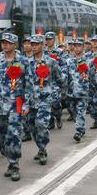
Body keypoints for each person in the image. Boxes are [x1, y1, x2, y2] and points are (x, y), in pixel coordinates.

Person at [0, 33, 29, 181]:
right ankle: (10, 160)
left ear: (15, 45)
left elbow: (29, 84)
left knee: (14, 135)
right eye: (3, 43)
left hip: (16, 105)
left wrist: (27, 103)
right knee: (4, 136)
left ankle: (14, 164)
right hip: (0, 106)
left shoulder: (23, 61)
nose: (4, 45)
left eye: (8, 43)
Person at [25, 35, 62, 165]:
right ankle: (40, 146)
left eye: (36, 44)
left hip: (45, 99)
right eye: (32, 44)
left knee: (41, 124)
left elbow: (59, 79)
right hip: (31, 100)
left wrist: (54, 93)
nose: (33, 46)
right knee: (32, 127)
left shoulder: (51, 62)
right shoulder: (27, 62)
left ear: (43, 45)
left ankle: (42, 149)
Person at [67, 40, 95, 142]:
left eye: (79, 46)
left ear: (83, 47)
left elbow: (92, 76)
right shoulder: (69, 61)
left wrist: (93, 88)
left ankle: (79, 131)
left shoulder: (89, 61)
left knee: (80, 111)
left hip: (83, 91)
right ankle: (81, 127)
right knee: (73, 110)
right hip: (71, 92)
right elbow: (66, 75)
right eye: (75, 46)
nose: (77, 48)